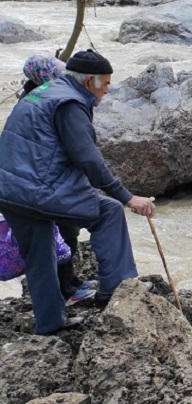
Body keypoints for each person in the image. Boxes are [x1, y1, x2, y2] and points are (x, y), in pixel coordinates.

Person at [0, 49, 156, 335]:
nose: (108, 90)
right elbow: (88, 158)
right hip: (38, 190)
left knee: (39, 254)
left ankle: (50, 324)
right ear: (89, 82)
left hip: (9, 191)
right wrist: (127, 197)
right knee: (108, 212)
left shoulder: (43, 91)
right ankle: (116, 290)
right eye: (105, 83)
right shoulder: (70, 104)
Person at [19, 54, 99, 306]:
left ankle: (71, 282)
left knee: (67, 234)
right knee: (61, 236)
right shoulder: (42, 101)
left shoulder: (34, 97)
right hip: (44, 185)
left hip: (47, 183)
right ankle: (66, 290)